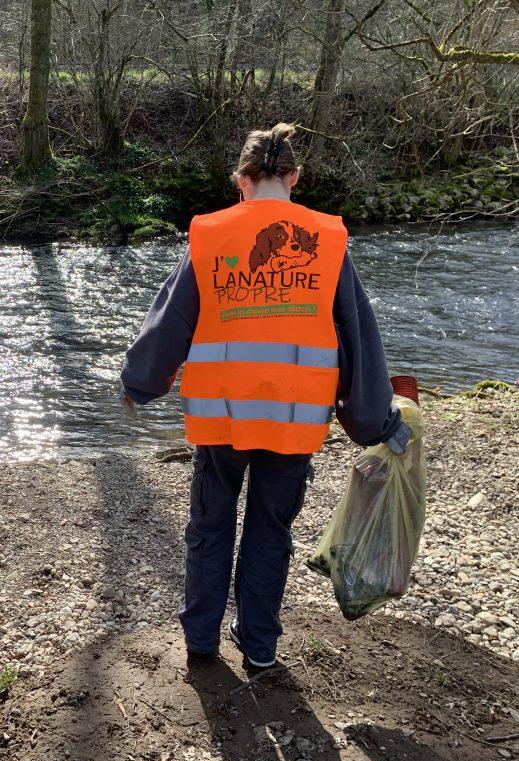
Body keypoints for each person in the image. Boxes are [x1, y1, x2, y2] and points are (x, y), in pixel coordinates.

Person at [120, 123, 412, 675]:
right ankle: (259, 646)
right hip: (292, 424)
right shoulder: (327, 241)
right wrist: (375, 420)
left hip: (221, 421)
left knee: (210, 528)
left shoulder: (211, 235)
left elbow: (172, 321)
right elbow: (357, 335)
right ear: (294, 178)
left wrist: (140, 382)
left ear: (242, 181)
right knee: (269, 532)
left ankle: (202, 642)